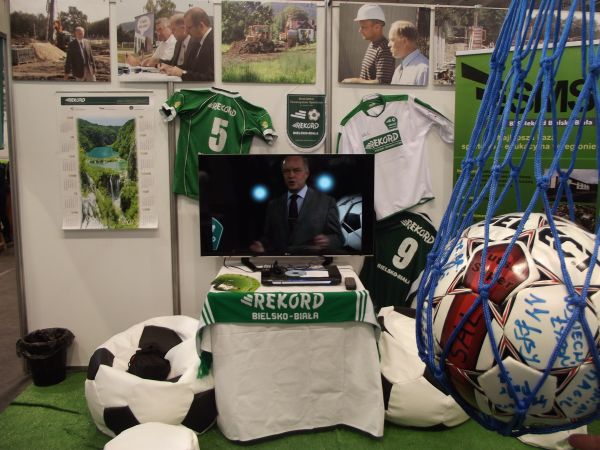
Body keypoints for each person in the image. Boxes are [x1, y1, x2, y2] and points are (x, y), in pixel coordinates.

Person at [249, 156, 344, 254]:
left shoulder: (326, 202)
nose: (291, 175)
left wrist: (328, 241)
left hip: (311, 261)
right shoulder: (274, 205)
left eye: (297, 170)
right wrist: (262, 246)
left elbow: (339, 238)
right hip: (281, 261)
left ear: (306, 174)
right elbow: (269, 238)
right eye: (286, 171)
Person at [342, 4, 394, 85]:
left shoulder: (385, 49)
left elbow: (382, 83)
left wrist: (354, 81)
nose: (360, 30)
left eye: (363, 27)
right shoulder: (373, 44)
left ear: (377, 27)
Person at [159, 7, 214, 82]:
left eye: (188, 28)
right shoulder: (197, 42)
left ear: (201, 26)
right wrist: (171, 68)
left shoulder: (214, 43)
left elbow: (210, 78)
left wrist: (182, 73)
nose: (186, 32)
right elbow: (189, 67)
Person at [388, 20, 429, 86]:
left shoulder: (423, 70)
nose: (389, 45)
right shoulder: (399, 69)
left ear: (404, 41)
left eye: (392, 40)